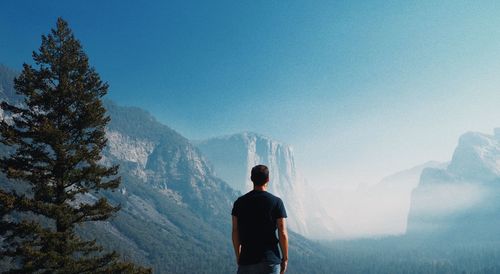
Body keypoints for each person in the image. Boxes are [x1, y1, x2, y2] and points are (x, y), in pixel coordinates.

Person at [231, 165, 289, 274]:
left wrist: (239, 256)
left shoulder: (239, 202)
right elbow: (282, 231)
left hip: (246, 260)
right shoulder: (276, 202)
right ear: (268, 179)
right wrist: (285, 258)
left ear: (251, 179)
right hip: (270, 261)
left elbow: (235, 230)